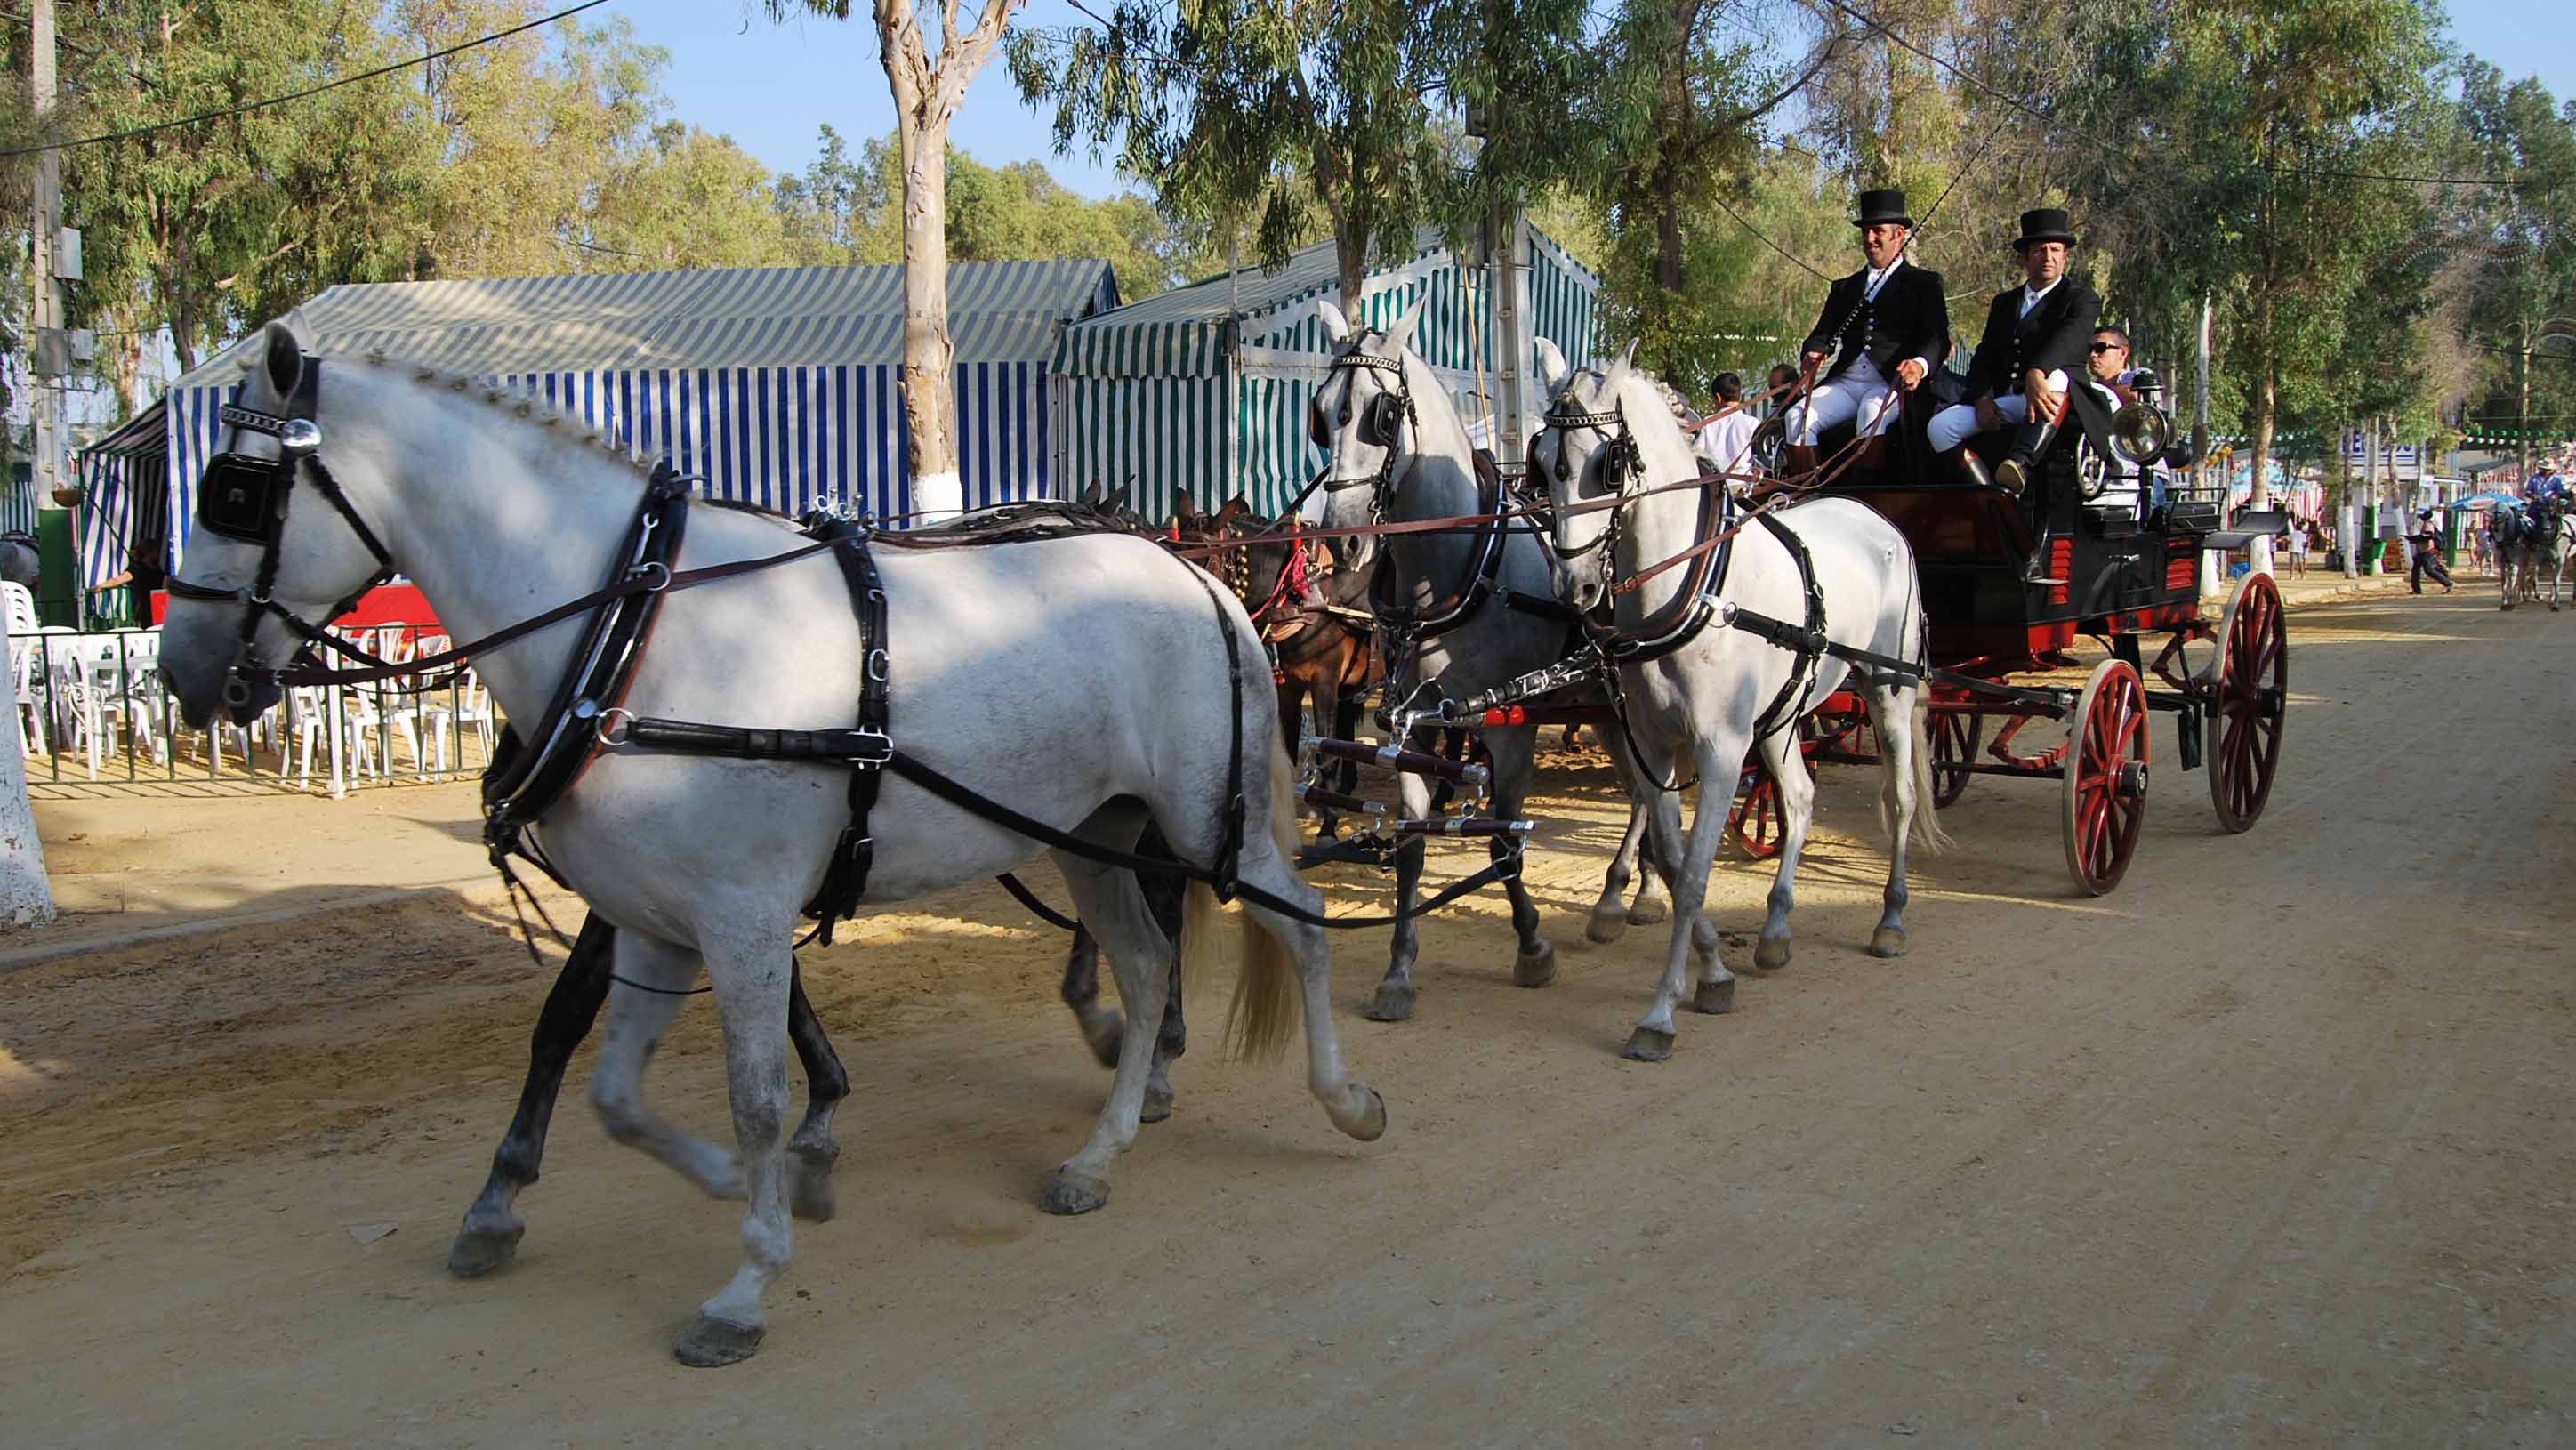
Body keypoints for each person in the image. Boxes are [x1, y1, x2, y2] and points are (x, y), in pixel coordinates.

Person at [1928, 207, 2103, 493]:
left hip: (2053, 399)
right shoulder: (2005, 303)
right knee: (1940, 427)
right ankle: (1989, 495)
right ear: (2025, 257)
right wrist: (1982, 397)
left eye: (2055, 250)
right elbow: (1985, 355)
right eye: (2039, 250)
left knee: (2057, 376)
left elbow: (2070, 339)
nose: (2048, 257)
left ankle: (2020, 462)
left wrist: (2037, 370)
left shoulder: (2081, 299)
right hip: (2009, 399)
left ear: (2065, 255)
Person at [1779, 188, 1950, 475]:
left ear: (1898, 235)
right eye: (1866, 232)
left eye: (1878, 231)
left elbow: (1938, 338)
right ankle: (1806, 495)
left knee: (1871, 412)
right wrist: (1812, 352)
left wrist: (1919, 367)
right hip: (1847, 382)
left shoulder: (1924, 284)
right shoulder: (1845, 287)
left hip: (1890, 382)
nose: (1870, 239)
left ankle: (1868, 498)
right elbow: (1822, 333)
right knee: (1797, 416)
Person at [1694, 373, 1760, 480]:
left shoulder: (1707, 424)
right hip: (1745, 486)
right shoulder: (1753, 423)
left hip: (1716, 488)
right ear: (1739, 396)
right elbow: (1760, 462)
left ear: (1718, 397)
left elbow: (1697, 455)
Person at [2409, 508, 2454, 594]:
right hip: (2422, 550)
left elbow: (2428, 536)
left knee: (2428, 570)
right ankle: (2416, 589)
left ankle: (2448, 583)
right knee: (2415, 570)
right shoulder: (2426, 524)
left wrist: (2415, 539)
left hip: (2427, 550)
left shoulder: (2428, 524)